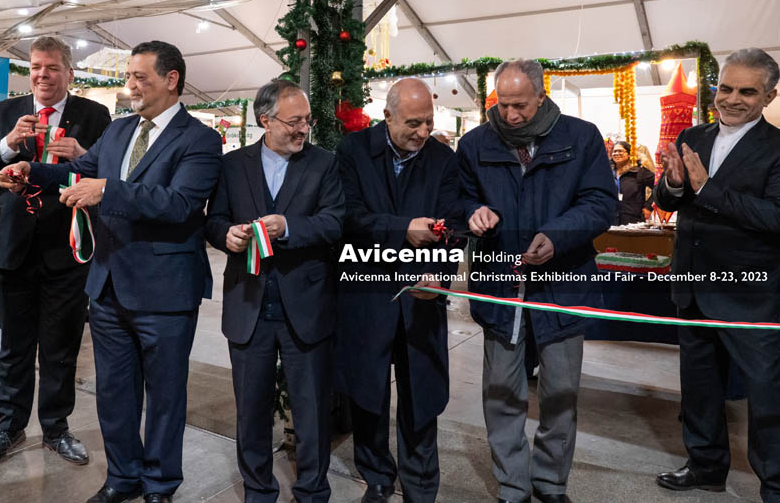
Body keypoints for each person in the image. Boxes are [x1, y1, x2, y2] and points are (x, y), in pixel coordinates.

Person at [0, 40, 221, 503]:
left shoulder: (199, 139)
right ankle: (123, 478)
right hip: (108, 287)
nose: (130, 86)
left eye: (140, 77)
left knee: (164, 397)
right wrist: (30, 172)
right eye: (129, 76)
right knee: (115, 393)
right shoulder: (119, 130)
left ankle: (160, 484)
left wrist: (107, 191)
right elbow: (78, 170)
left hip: (165, 292)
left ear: (171, 79)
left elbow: (181, 203)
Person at [457, 59, 616, 503]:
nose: (510, 115)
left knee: (560, 392)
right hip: (499, 287)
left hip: (561, 286)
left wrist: (557, 236)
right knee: (501, 392)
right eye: (502, 105)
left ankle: (550, 482)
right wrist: (472, 213)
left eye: (520, 106)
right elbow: (458, 197)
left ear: (542, 97)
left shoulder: (580, 138)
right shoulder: (474, 144)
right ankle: (512, 486)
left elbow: (601, 202)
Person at [205, 80, 345, 503]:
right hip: (248, 306)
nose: (304, 129)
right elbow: (214, 220)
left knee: (312, 410)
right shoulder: (233, 165)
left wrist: (289, 227)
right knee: (250, 409)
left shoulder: (324, 164)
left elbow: (335, 222)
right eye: (294, 121)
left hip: (306, 308)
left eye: (307, 120)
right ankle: (258, 490)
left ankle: (313, 491)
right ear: (265, 120)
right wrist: (226, 236)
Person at [0, 36, 111, 470]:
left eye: (51, 67)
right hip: (9, 247)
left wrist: (83, 155)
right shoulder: (4, 113)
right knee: (14, 346)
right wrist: (8, 144)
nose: (42, 75)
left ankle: (55, 428)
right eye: (35, 67)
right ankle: (9, 426)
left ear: (69, 72)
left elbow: (110, 175)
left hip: (67, 249)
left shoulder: (95, 115)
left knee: (60, 346)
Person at [654, 48, 780, 503]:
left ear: (769, 96)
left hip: (751, 297)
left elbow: (775, 217)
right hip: (692, 288)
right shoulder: (693, 135)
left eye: (747, 92)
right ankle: (705, 466)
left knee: (767, 397)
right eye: (725, 88)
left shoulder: (777, 148)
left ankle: (775, 484)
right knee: (700, 387)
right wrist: (672, 184)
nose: (732, 99)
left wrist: (707, 189)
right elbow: (668, 200)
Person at [335, 78, 463, 503]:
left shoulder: (442, 159)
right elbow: (347, 216)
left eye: (428, 122)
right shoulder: (354, 152)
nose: (423, 132)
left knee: (421, 393)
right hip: (367, 295)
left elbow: (453, 225)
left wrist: (440, 276)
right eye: (413, 123)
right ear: (387, 116)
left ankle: (420, 485)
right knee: (368, 392)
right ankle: (376, 476)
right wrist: (401, 229)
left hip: (422, 298)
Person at [609, 141, 654, 224]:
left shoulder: (639, 171)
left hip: (633, 219)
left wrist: (648, 206)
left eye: (620, 151)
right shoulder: (607, 172)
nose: (617, 153)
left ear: (629, 154)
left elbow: (657, 186)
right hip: (610, 218)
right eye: (614, 151)